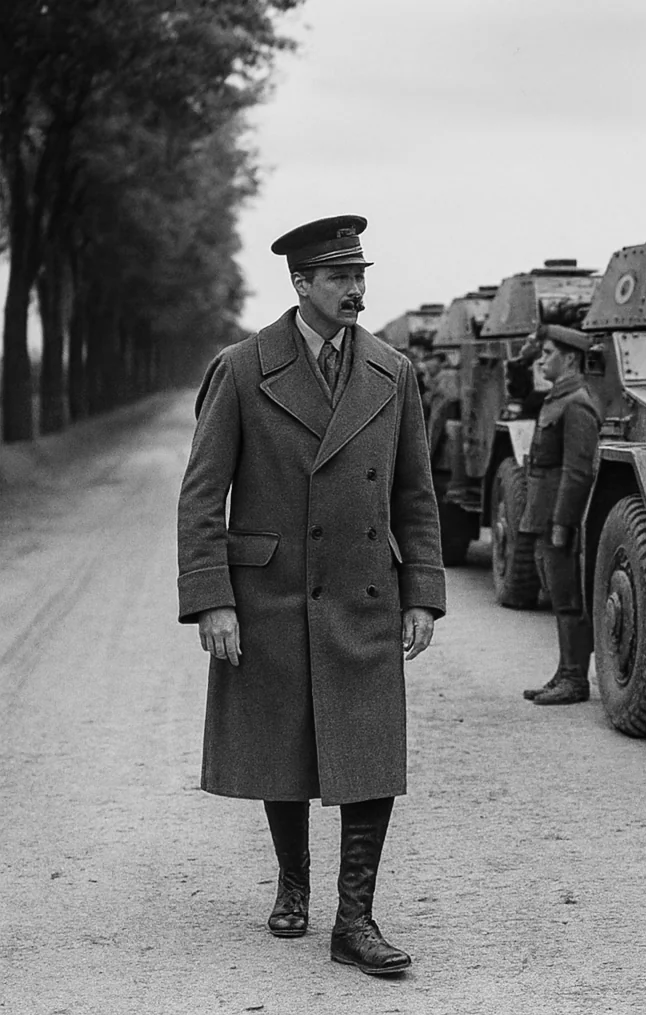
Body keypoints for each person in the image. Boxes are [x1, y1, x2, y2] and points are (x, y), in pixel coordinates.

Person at [176, 215, 445, 976]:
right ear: (302, 285)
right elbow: (201, 497)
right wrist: (212, 599)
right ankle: (294, 882)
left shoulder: (394, 372)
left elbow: (414, 493)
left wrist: (421, 590)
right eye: (340, 278)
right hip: (273, 591)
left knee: (368, 750)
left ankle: (353, 920)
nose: (356, 289)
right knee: (286, 742)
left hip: (363, 593)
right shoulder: (240, 368)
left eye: (361, 275)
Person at [519, 323, 600, 706]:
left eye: (548, 353)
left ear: (569, 357)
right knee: (557, 595)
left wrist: (562, 524)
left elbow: (578, 470)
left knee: (568, 599)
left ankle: (575, 680)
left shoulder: (577, 403)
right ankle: (564, 672)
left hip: (557, 518)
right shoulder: (558, 398)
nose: (541, 359)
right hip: (543, 513)